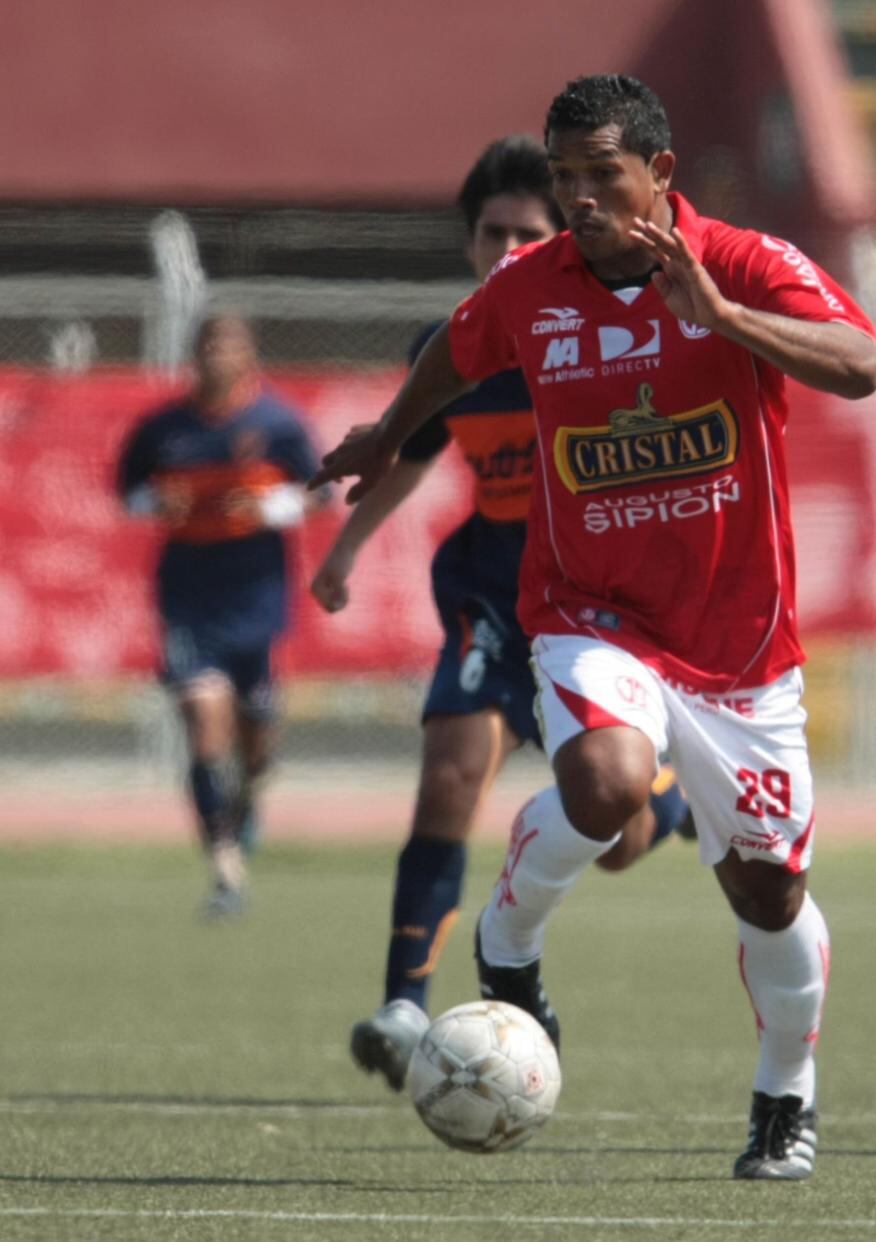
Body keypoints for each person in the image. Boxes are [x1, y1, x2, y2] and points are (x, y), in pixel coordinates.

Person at [310, 74, 876, 1180]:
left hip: (739, 648)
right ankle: (506, 943)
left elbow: (860, 363)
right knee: (609, 785)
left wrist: (721, 319)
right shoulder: (533, 286)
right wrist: (391, 432)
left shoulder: (747, 262)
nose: (574, 196)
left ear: (660, 175)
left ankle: (784, 1097)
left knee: (770, 893)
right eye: (561, 174)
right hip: (589, 613)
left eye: (597, 174)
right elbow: (458, 349)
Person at [309, 136, 695, 1092]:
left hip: (596, 598)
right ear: (470, 240)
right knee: (449, 775)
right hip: (493, 586)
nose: (512, 247)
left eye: (532, 229)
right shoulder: (455, 349)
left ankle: (669, 801)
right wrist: (348, 547)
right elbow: (408, 450)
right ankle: (404, 1002)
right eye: (493, 231)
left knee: (617, 840)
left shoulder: (600, 330)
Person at [117, 313, 324, 918]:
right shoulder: (163, 428)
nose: (218, 357)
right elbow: (127, 489)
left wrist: (271, 505)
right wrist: (157, 500)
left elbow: (320, 491)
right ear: (194, 355)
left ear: (249, 356)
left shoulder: (277, 423)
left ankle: (250, 795)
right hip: (188, 596)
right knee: (203, 716)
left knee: (258, 735)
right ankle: (226, 868)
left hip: (255, 596)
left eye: (230, 346)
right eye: (208, 346)